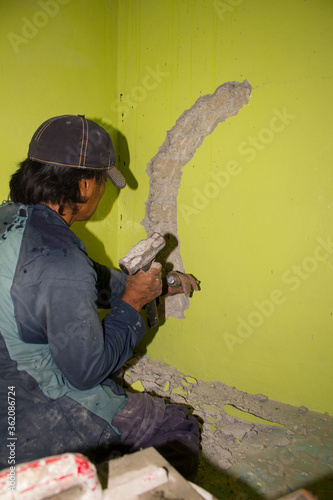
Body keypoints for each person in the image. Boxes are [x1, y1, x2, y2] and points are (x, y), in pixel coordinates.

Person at [0, 115, 199, 479]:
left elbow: (89, 280)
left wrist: (160, 284)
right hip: (29, 414)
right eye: (105, 180)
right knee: (175, 427)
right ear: (85, 184)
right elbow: (86, 373)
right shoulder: (60, 255)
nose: (105, 190)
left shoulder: (12, 221)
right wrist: (133, 305)